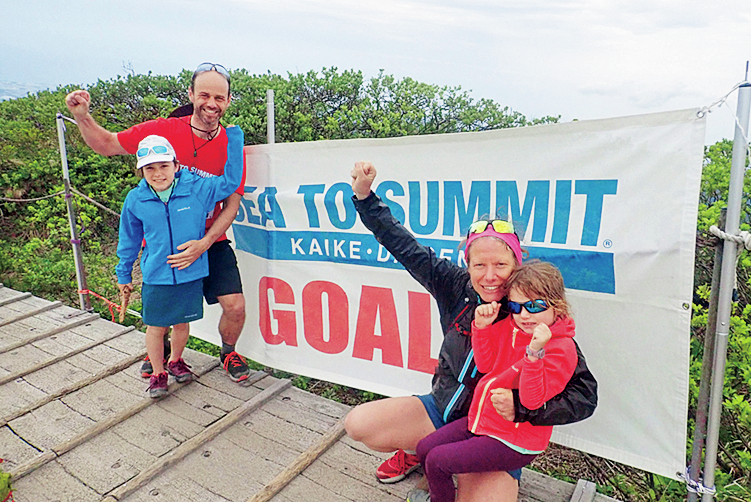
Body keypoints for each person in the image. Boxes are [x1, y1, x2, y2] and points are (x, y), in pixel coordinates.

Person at [345, 162, 598, 502]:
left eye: (501, 265)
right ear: (467, 264)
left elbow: (585, 396)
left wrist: (524, 409)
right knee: (359, 424)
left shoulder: (533, 312)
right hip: (443, 412)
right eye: (479, 265)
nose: (490, 276)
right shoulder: (454, 285)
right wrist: (364, 197)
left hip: (498, 432)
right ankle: (418, 451)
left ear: (517, 264)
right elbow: (404, 247)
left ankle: (466, 469)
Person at [65, 63, 251, 383]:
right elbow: (107, 144)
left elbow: (232, 200)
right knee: (162, 310)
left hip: (210, 240)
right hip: (166, 242)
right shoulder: (163, 131)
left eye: (219, 97)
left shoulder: (231, 144)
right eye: (204, 94)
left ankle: (228, 351)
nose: (211, 103)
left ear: (228, 101)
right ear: (191, 94)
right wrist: (82, 116)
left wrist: (204, 244)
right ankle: (160, 356)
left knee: (234, 306)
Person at [411, 260, 578, 502]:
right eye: (516, 306)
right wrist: (481, 327)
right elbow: (485, 365)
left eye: (535, 306)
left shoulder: (561, 348)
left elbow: (532, 401)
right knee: (425, 449)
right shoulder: (511, 327)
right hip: (483, 422)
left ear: (557, 306)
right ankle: (441, 490)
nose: (524, 315)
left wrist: (534, 353)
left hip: (515, 441)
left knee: (438, 462)